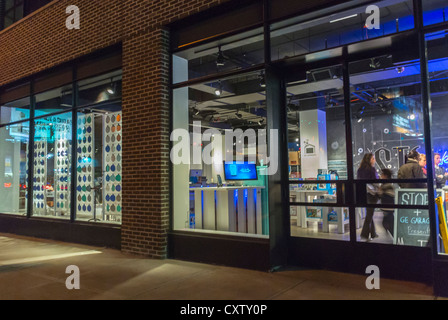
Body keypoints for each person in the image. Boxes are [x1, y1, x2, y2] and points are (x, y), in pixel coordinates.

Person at [357, 153, 379, 241]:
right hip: (372, 194)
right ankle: (364, 235)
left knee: (369, 213)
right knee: (369, 214)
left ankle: (373, 233)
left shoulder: (360, 170)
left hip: (364, 194)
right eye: (373, 158)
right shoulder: (372, 169)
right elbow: (375, 182)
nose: (375, 160)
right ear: (369, 159)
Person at [378, 168, 395, 238]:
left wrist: (380, 191)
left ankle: (396, 237)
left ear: (385, 176)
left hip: (388, 207)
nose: (381, 176)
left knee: (387, 223)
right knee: (388, 222)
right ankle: (395, 237)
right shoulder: (386, 184)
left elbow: (384, 194)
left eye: (382, 174)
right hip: (388, 207)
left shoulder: (386, 185)